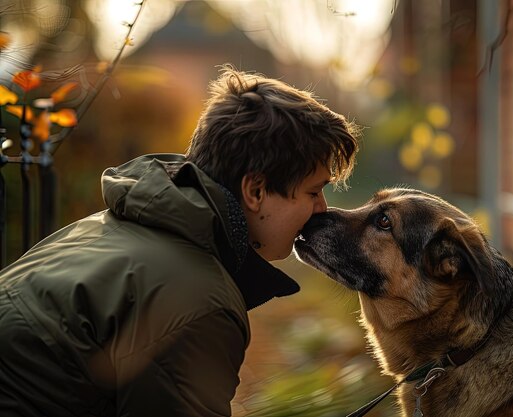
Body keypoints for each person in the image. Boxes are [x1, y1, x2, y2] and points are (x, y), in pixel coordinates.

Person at [0, 65, 360, 417]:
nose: (321, 208)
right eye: (313, 192)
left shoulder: (109, 226)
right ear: (256, 190)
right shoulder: (200, 303)